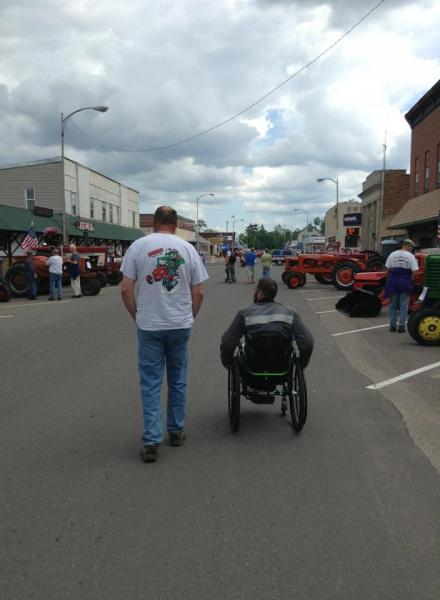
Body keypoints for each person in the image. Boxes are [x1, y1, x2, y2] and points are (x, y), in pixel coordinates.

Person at [121, 206, 208, 463]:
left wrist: (137, 316)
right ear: (176, 224)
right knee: (178, 379)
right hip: (179, 323)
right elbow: (199, 292)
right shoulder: (189, 249)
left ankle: (151, 441)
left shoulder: (138, 247)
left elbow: (126, 290)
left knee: (150, 382)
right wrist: (189, 317)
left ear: (154, 223)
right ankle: (177, 431)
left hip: (150, 326)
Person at [220, 278, 314, 370]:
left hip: (253, 366)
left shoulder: (244, 314)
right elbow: (307, 342)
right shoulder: (290, 313)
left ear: (259, 293)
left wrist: (228, 363)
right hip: (281, 366)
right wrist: (302, 363)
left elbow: (227, 342)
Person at [384, 239, 419, 333]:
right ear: (407, 245)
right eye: (411, 247)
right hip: (405, 282)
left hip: (393, 282)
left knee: (392, 305)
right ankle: (402, 327)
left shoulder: (392, 254)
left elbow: (387, 270)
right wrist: (410, 280)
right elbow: (415, 272)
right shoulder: (411, 256)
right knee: (404, 306)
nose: (411, 248)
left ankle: (392, 325)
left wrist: (388, 282)